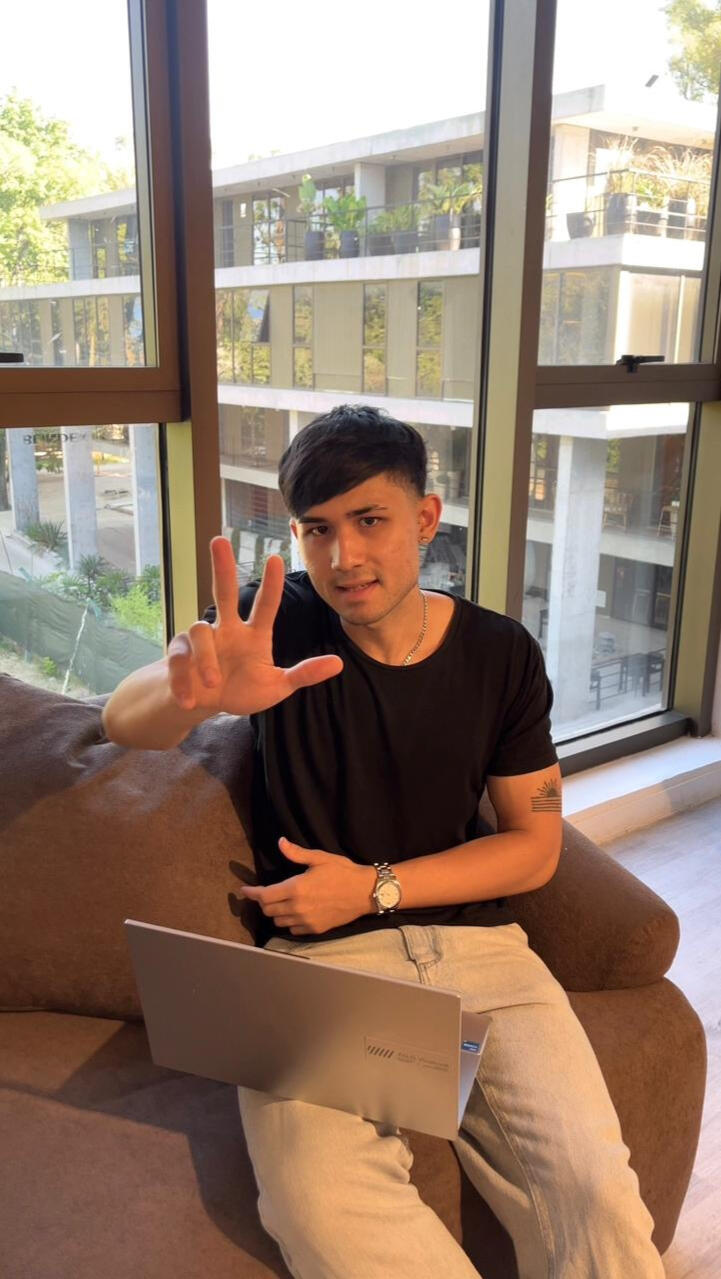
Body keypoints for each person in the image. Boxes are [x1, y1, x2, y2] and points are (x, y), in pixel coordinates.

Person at [102, 405, 665, 1279]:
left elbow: (534, 844)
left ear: (426, 517)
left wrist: (373, 886)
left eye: (370, 520)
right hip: (319, 973)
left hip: (485, 961)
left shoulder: (501, 654)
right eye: (318, 529)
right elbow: (122, 719)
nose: (343, 557)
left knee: (593, 1193)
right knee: (318, 1202)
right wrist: (192, 695)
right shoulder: (278, 625)